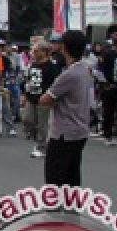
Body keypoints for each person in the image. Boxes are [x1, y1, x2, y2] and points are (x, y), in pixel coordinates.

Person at [40, 30, 94, 186]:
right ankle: (72, 207)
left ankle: (56, 209)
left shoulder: (69, 74)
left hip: (64, 133)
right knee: (72, 176)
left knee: (55, 178)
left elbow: (46, 99)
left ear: (65, 47)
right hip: (80, 130)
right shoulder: (85, 69)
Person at [21, 42, 62, 158]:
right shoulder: (32, 65)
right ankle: (36, 137)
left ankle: (41, 146)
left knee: (42, 124)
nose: (34, 53)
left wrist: (52, 97)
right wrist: (24, 95)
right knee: (26, 119)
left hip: (44, 98)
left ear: (44, 52)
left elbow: (57, 83)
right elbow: (27, 80)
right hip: (30, 96)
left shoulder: (52, 67)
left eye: (36, 51)